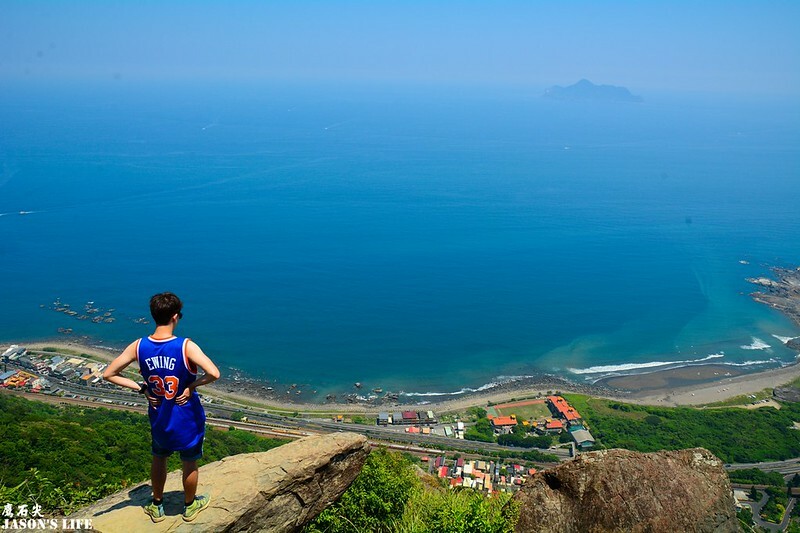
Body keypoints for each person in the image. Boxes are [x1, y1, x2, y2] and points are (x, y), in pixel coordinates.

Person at [103, 292, 220, 523]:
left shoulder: (139, 346)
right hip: (186, 416)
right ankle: (189, 505)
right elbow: (214, 373)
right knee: (189, 462)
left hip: (159, 416)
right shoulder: (185, 346)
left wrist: (142, 389)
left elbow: (109, 374)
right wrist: (191, 386)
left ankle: (157, 504)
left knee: (159, 458)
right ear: (175, 316)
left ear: (154, 315)